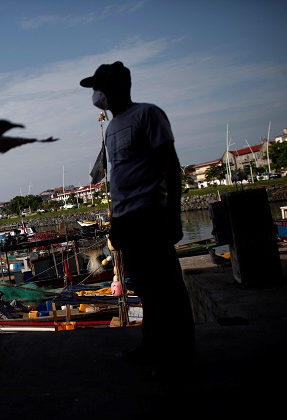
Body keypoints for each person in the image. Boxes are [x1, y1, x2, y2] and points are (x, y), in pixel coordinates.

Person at [79, 61, 195, 380]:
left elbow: (171, 165)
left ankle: (181, 355)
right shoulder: (113, 127)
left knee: (167, 288)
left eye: (99, 87)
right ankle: (152, 344)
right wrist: (115, 219)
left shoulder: (148, 114)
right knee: (144, 287)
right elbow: (118, 178)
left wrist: (173, 214)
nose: (96, 94)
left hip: (150, 214)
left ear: (116, 86)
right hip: (126, 219)